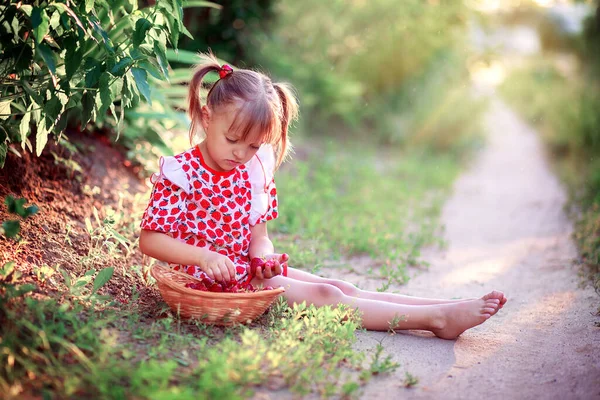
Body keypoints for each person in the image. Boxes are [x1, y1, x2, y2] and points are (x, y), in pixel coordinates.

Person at [139, 53, 507, 340]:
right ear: (206, 118)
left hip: (245, 271)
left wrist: (263, 259)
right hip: (206, 279)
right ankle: (437, 320)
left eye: (252, 146)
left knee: (339, 287)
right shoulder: (182, 172)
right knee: (326, 297)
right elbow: (151, 239)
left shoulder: (252, 170)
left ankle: (443, 306)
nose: (240, 153)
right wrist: (204, 256)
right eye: (232, 140)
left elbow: (259, 238)